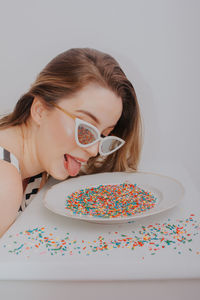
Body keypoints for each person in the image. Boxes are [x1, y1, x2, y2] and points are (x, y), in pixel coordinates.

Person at [0, 48, 142, 237]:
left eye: (105, 136)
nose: (93, 151)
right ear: (40, 110)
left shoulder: (41, 169)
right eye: (85, 129)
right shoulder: (5, 183)